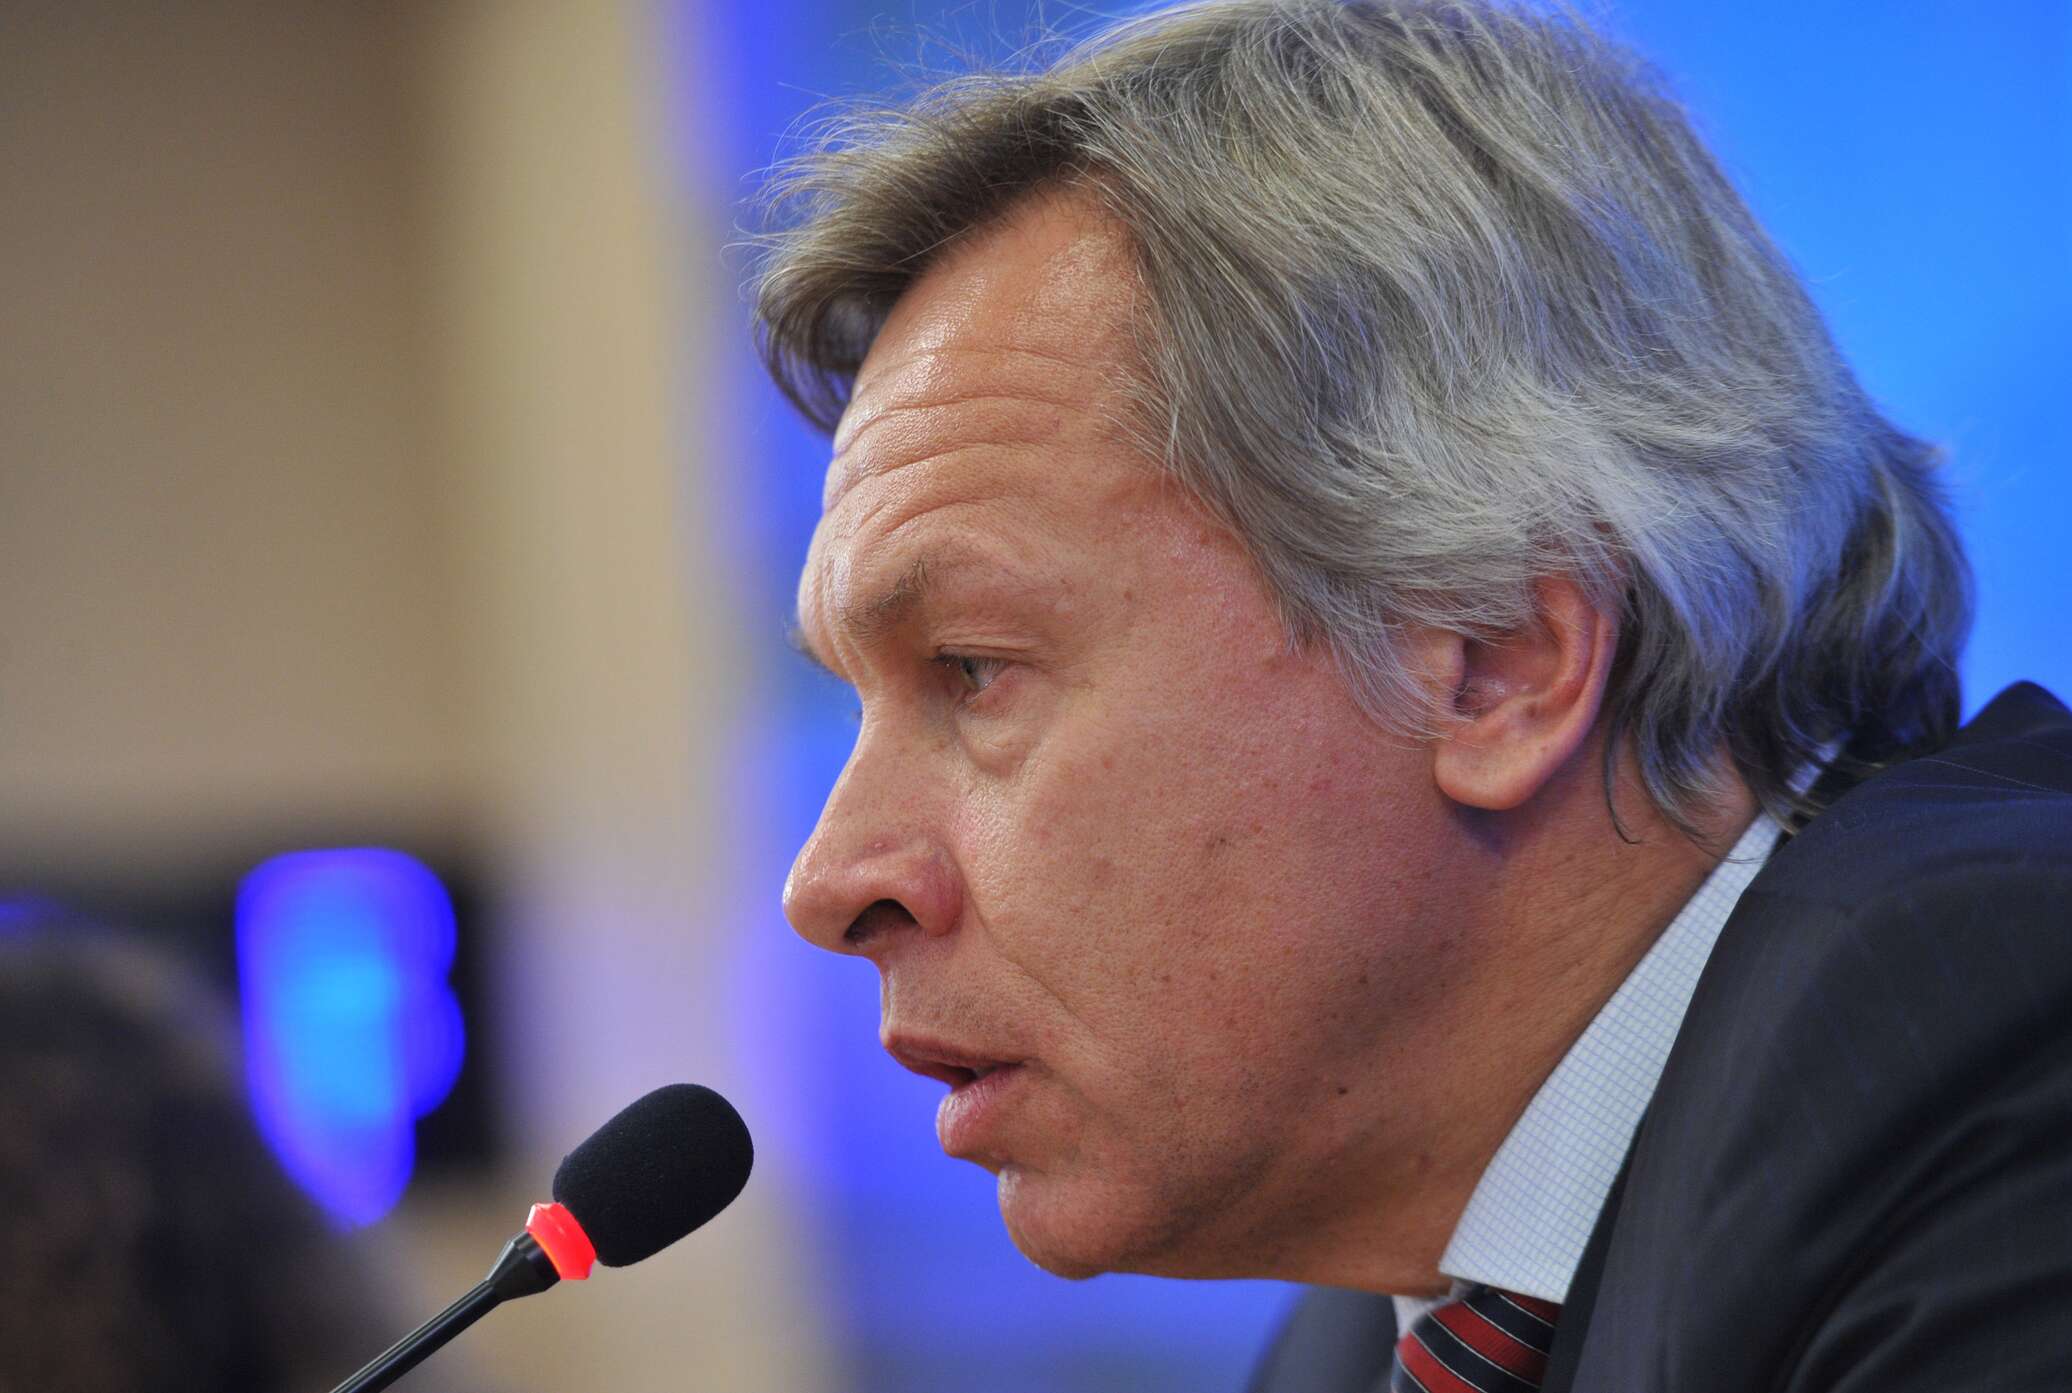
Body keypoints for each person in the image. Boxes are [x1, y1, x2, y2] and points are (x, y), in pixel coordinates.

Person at [752, 2, 2072, 1389]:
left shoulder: (1987, 1065)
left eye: (972, 670)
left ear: (1499, 661)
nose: (830, 881)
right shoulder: (1352, 1348)